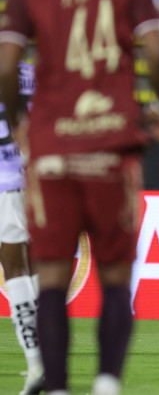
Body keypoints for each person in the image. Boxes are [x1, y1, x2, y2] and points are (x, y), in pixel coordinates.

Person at [0, 0, 159, 395]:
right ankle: (105, 383)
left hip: (52, 151)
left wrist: (21, 127)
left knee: (49, 275)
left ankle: (54, 384)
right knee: (116, 275)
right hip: (110, 145)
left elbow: (6, 68)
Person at [0, 62, 43, 395]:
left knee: (14, 266)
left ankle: (36, 361)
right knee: (46, 262)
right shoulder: (38, 72)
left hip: (7, 180)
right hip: (47, 176)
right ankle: (50, 350)